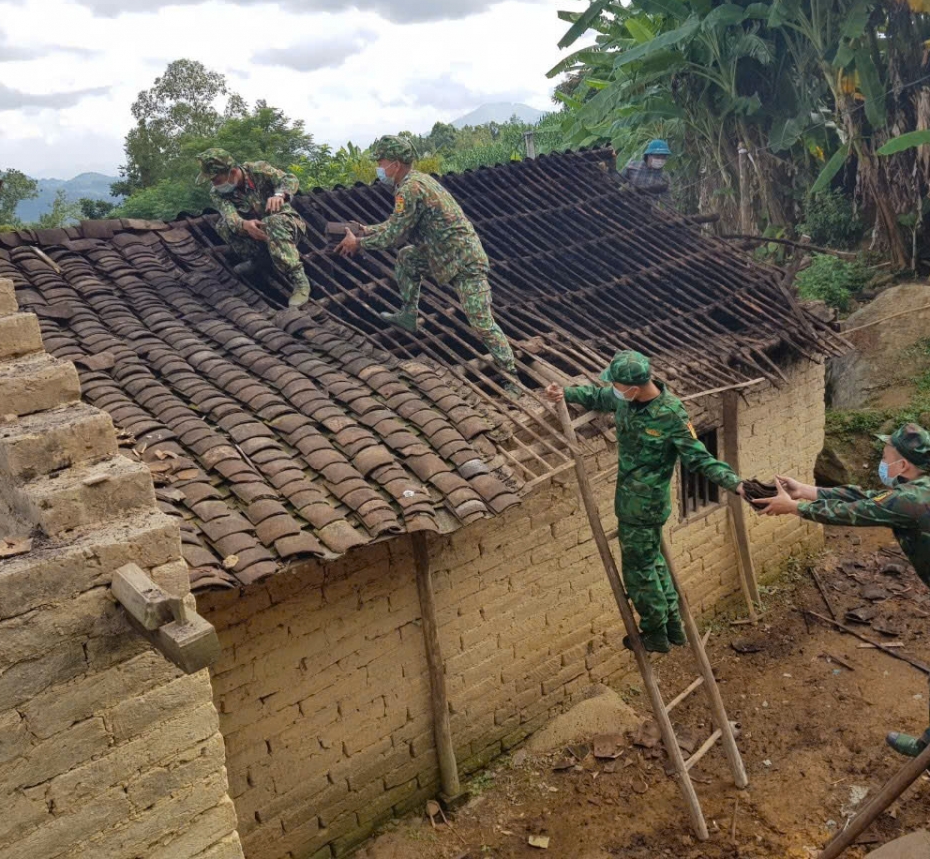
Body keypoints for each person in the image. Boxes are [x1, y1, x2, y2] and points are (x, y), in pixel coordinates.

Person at [754, 423, 930, 775]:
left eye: (887, 455)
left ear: (902, 465)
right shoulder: (923, 490)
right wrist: (808, 491)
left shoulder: (913, 500)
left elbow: (857, 513)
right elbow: (867, 497)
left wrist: (794, 508)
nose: (882, 460)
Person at [545, 350, 746, 654]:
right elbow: (599, 397)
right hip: (628, 502)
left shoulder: (671, 414)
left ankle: (653, 632)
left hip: (646, 507)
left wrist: (736, 484)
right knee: (654, 562)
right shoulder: (626, 400)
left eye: (617, 385)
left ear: (634, 387)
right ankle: (672, 627)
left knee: (638, 572)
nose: (613, 389)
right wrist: (565, 393)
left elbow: (700, 459)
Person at [337, 135, 518, 388]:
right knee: (408, 258)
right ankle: (409, 314)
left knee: (481, 321)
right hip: (441, 256)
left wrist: (358, 243)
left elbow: (394, 235)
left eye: (381, 161)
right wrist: (365, 230)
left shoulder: (410, 189)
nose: (379, 167)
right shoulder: (416, 181)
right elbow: (396, 223)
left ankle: (512, 377)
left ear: (396, 164)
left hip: (464, 260)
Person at [196, 148, 311, 308]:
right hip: (258, 234)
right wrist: (245, 225)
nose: (214, 184)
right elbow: (230, 216)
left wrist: (280, 194)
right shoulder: (217, 193)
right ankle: (260, 260)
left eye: (216, 179)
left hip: (287, 227)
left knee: (272, 221)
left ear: (233, 172)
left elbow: (290, 179)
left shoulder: (258, 169)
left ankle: (299, 279)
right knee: (223, 226)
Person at [622, 140, 672, 205]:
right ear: (649, 155)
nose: (660, 160)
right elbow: (618, 181)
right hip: (627, 205)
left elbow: (667, 199)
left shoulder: (664, 176)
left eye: (663, 157)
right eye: (657, 157)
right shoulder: (632, 166)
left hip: (647, 210)